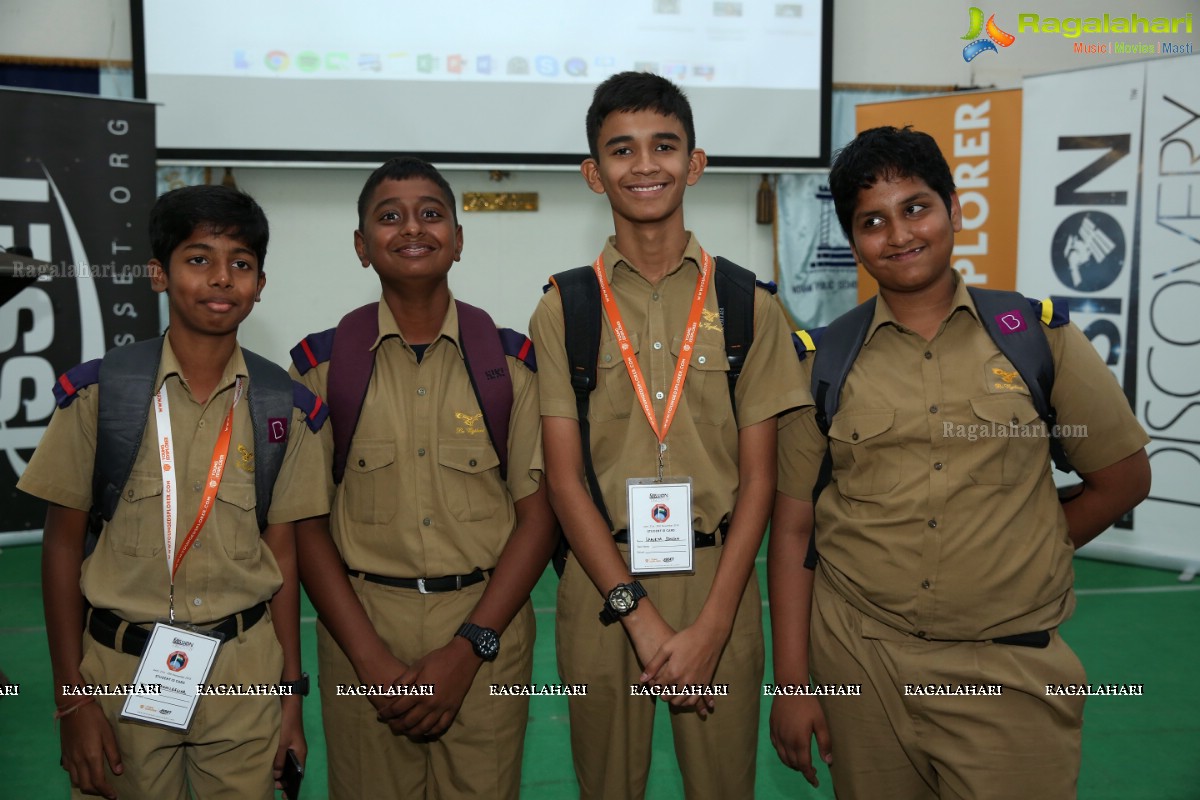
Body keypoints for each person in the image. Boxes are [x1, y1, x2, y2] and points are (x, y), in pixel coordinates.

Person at [768, 125, 1152, 799]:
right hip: (862, 662)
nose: (900, 234)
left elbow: (1122, 479)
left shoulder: (1037, 337)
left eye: (917, 207)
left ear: (955, 208)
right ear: (854, 241)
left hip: (1006, 665)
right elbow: (796, 531)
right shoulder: (822, 361)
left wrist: (1024, 551)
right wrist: (797, 687)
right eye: (873, 221)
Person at [529, 72, 809, 799]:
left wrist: (714, 624)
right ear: (594, 174)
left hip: (720, 583)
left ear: (697, 162)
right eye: (621, 150)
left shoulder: (749, 304)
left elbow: (760, 481)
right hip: (602, 589)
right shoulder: (565, 308)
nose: (644, 165)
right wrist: (637, 616)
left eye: (664, 146)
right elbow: (562, 481)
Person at [19, 184, 330, 799]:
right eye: (198, 259)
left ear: (260, 284)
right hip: (119, 673)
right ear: (159, 274)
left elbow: (284, 559)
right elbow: (60, 548)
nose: (221, 278)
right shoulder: (101, 397)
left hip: (243, 675)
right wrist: (72, 702)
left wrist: (289, 699)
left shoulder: (283, 409)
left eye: (241, 264)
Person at [291, 156, 556, 800]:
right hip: (361, 635)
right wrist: (373, 663)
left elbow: (539, 517)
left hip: (486, 635)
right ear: (362, 247)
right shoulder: (321, 369)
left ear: (458, 240)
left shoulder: (512, 364)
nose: (412, 228)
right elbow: (306, 526)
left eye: (431, 214)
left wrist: (469, 648)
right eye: (389, 216)